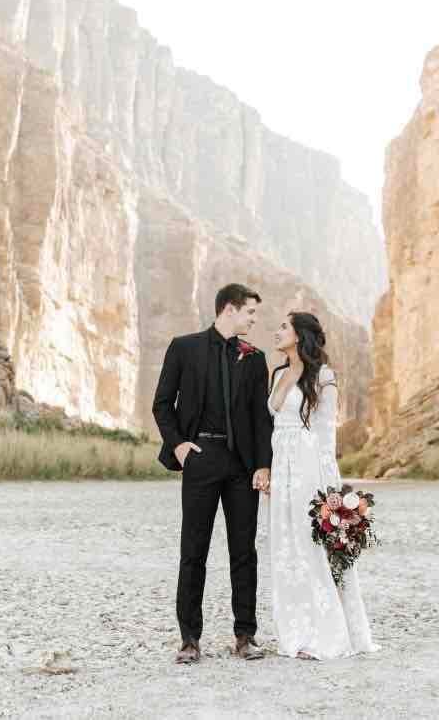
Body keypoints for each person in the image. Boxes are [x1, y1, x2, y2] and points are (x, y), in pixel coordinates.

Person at [152, 283, 273, 664]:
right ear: (230, 309)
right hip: (201, 458)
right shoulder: (183, 347)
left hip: (241, 465)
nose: (254, 320)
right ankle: (189, 639)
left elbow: (260, 418)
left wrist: (263, 464)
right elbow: (161, 404)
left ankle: (245, 635)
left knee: (244, 550)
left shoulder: (254, 358)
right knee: (194, 550)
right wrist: (180, 446)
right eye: (250, 312)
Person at [265, 311, 379, 659]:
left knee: (311, 546)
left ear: (299, 335)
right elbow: (274, 418)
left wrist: (332, 491)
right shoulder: (279, 373)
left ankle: (326, 634)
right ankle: (297, 630)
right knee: (287, 548)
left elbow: (326, 434)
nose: (277, 330)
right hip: (281, 468)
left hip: (309, 469)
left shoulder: (324, 376)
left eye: (284, 326)